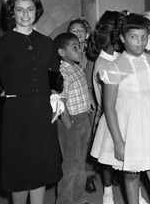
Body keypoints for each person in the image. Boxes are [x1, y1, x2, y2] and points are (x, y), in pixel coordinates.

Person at [0, 0, 62, 204]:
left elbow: (54, 73)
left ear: (37, 11)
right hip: (17, 114)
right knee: (20, 168)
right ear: (12, 13)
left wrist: (55, 96)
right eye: (19, 9)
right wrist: (6, 92)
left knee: (40, 166)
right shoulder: (1, 45)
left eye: (30, 9)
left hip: (43, 112)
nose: (25, 14)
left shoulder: (46, 43)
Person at [90, 13, 150, 204]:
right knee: (130, 174)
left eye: (144, 36)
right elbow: (109, 107)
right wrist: (118, 141)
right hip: (128, 126)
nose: (140, 42)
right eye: (134, 37)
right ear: (122, 38)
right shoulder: (114, 67)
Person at [54, 32, 95, 204]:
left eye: (80, 46)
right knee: (70, 166)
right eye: (75, 47)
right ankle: (64, 201)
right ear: (62, 52)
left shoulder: (77, 68)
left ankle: (79, 199)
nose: (80, 50)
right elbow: (59, 103)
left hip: (83, 118)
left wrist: (90, 100)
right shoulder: (62, 73)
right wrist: (69, 127)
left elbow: (83, 89)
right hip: (70, 122)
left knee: (81, 163)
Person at [87, 10, 122, 204]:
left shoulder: (117, 56)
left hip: (124, 112)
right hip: (110, 115)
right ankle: (107, 192)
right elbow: (106, 100)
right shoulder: (103, 63)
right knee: (107, 156)